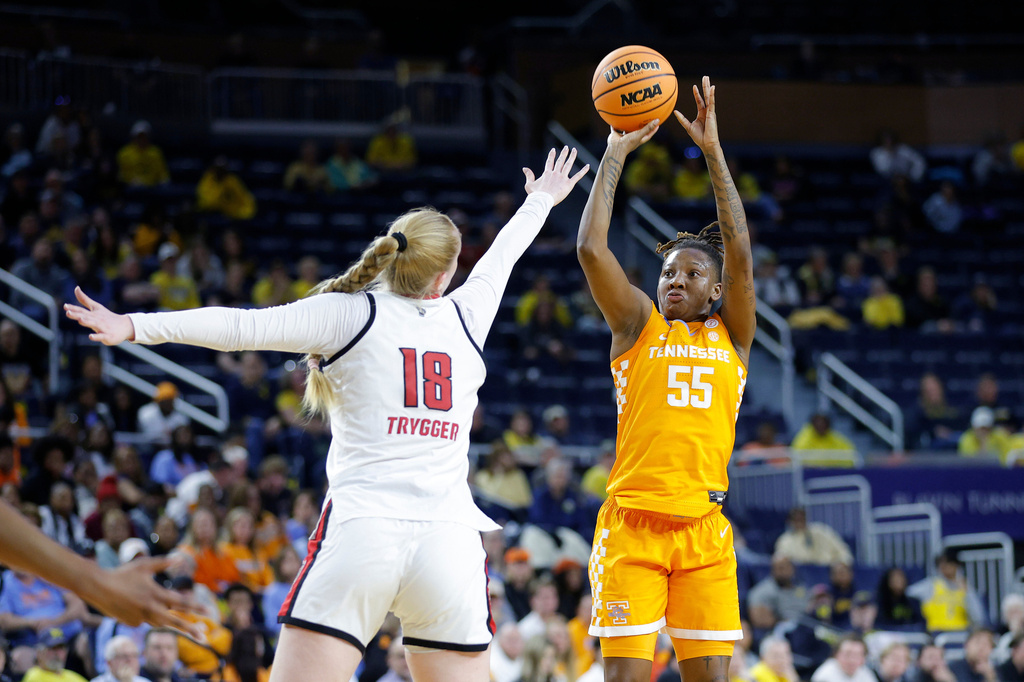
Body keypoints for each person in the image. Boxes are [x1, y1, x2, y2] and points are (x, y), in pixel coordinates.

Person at [66, 146, 587, 682]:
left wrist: (134, 325)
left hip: (363, 534)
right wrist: (542, 199)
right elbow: (505, 253)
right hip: (449, 544)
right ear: (444, 276)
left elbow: (240, 328)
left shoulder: (346, 313)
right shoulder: (466, 313)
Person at [576, 77, 755, 682]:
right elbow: (592, 250)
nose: (674, 280)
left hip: (704, 531)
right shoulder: (636, 327)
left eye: (692, 272)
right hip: (633, 527)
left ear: (715, 287)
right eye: (668, 272)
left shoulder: (734, 334)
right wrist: (615, 152)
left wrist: (712, 152)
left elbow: (741, 251)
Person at [908, 548, 987, 632]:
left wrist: (967, 593)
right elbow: (907, 592)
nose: (944, 567)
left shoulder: (965, 587)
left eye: (948, 563)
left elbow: (979, 618)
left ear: (956, 565)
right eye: (941, 564)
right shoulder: (931, 585)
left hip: (961, 634)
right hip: (936, 634)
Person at [774, 507, 854, 566]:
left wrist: (842, 563)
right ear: (790, 522)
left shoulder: (822, 531)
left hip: (829, 571)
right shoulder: (784, 540)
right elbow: (781, 560)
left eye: (802, 518)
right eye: (796, 520)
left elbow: (843, 552)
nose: (799, 522)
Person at [116, 120, 169, 187]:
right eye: (139, 137)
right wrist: (130, 181)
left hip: (153, 188)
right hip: (132, 187)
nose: (142, 140)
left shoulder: (155, 152)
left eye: (144, 137)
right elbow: (122, 175)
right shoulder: (125, 153)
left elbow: (163, 175)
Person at [21, 628, 87, 682]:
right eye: (52, 649)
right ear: (39, 653)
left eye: (61, 649)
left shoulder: (72, 675)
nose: (57, 653)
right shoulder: (34, 676)